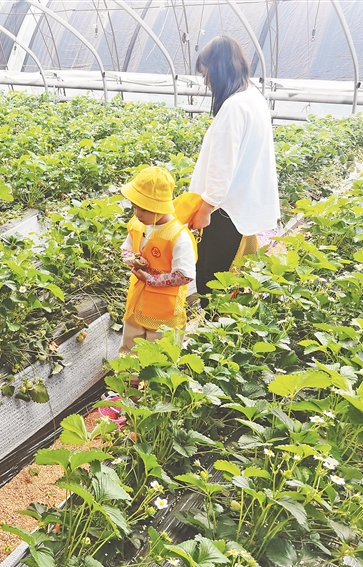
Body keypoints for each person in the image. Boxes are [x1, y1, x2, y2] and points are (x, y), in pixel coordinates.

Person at [188, 35, 280, 303]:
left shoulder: (234, 107)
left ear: (217, 71)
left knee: (211, 283)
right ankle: (224, 324)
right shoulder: (253, 97)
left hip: (225, 212)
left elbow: (222, 166)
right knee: (231, 280)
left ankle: (215, 326)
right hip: (241, 207)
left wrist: (205, 210)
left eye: (206, 75)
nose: (207, 83)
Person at [119, 166, 197, 355]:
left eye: (144, 209)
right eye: (135, 206)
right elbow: (125, 250)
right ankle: (127, 374)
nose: (137, 214)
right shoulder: (138, 225)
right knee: (129, 350)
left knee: (160, 355)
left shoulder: (178, 237)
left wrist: (151, 279)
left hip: (164, 314)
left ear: (161, 207)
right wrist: (133, 260)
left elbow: (185, 275)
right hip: (136, 305)